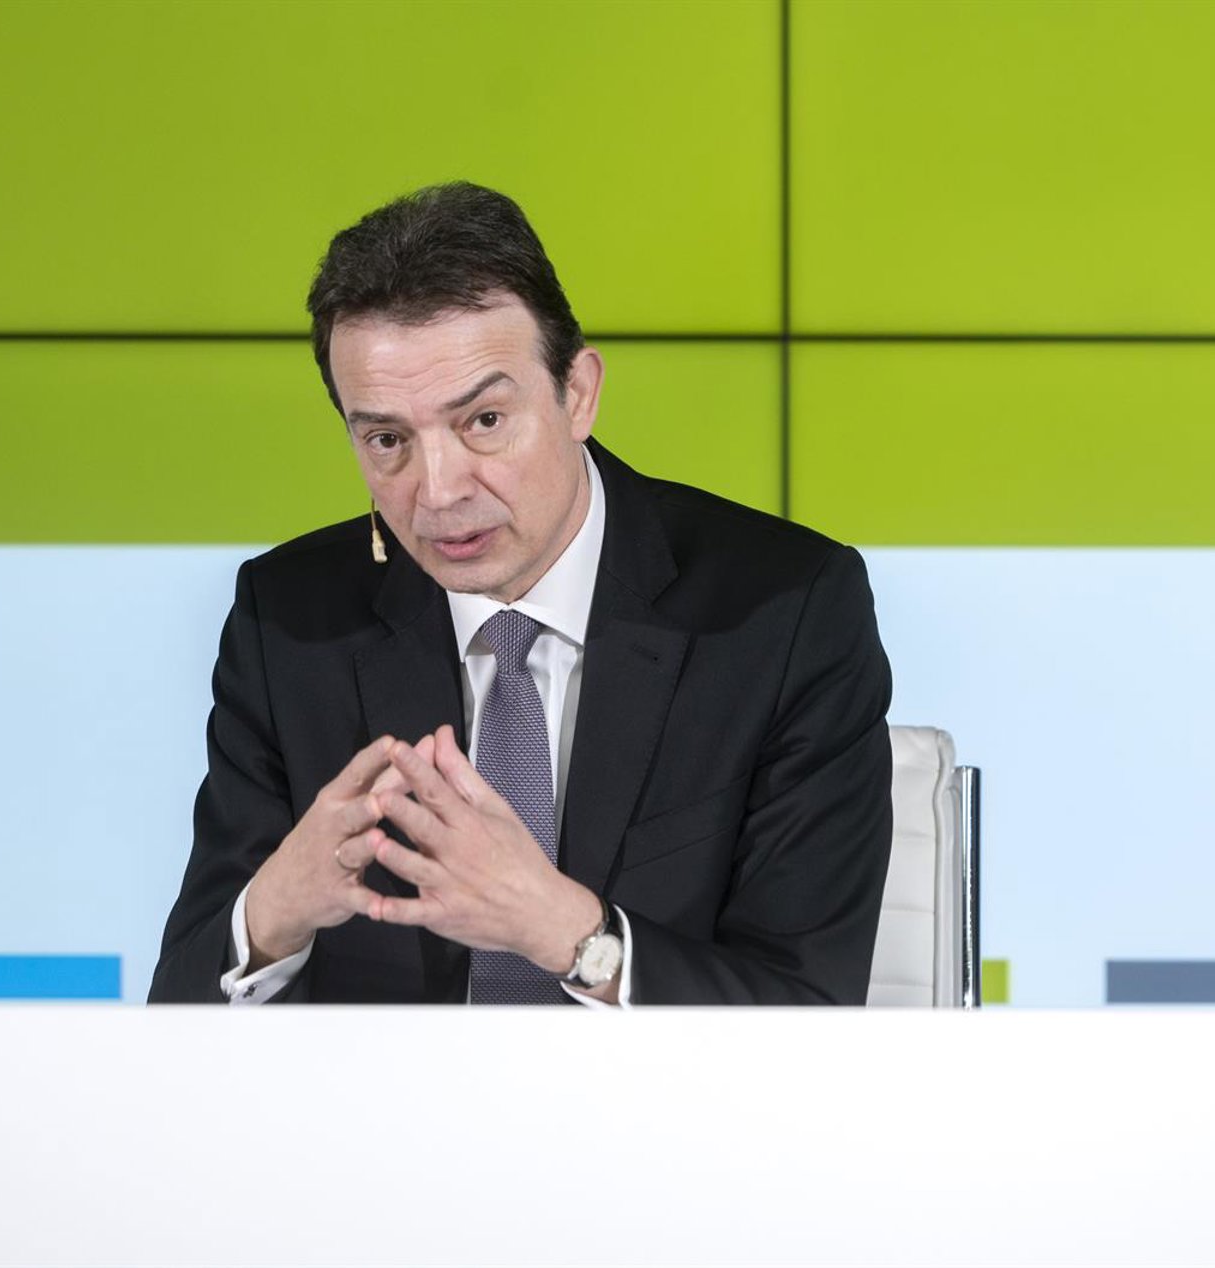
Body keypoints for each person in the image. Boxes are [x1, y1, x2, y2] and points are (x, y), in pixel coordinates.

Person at [149, 182, 893, 1005]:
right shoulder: (289, 622)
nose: (437, 491)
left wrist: (570, 933)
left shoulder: (783, 614)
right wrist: (271, 915)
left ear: (578, 394)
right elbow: (170, 1016)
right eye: (388, 439)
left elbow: (806, 1009)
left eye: (484, 422)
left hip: (662, 1094)